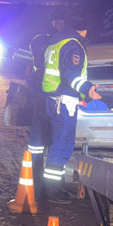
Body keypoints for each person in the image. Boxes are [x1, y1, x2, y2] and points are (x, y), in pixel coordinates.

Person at [41, 13, 101, 202]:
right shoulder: (74, 44)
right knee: (62, 146)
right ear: (85, 29)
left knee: (58, 144)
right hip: (64, 102)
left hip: (53, 98)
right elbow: (71, 74)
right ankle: (52, 191)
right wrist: (87, 89)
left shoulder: (55, 42)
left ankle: (55, 186)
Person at [25, 32, 51, 201]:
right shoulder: (49, 47)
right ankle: (45, 188)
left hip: (41, 102)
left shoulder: (38, 46)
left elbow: (35, 84)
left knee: (38, 143)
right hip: (48, 102)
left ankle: (36, 181)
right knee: (47, 142)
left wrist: (30, 78)